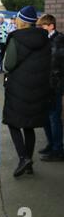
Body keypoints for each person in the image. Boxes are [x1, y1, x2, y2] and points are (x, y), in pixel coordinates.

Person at [3, 6, 51, 177]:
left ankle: (24, 157)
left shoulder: (16, 38)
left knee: (13, 122)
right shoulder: (45, 38)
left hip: (18, 88)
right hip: (38, 88)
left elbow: (8, 64)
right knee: (29, 125)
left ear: (21, 21)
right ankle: (29, 163)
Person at [36, 14, 64, 161]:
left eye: (43, 26)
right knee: (46, 117)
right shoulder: (47, 40)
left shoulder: (59, 40)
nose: (41, 29)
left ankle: (58, 149)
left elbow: (54, 64)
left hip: (55, 86)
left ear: (51, 26)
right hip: (45, 85)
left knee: (54, 118)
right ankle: (51, 144)